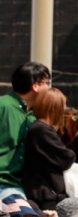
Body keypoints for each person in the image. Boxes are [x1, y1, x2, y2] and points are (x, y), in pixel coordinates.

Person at [0, 62, 51, 195]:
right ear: (35, 86)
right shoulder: (3, 105)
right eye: (47, 83)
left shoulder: (35, 115)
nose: (49, 88)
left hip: (23, 185)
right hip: (4, 185)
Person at [22, 86, 75, 210]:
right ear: (55, 107)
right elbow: (66, 158)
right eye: (62, 105)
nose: (64, 110)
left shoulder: (40, 128)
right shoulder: (41, 130)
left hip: (46, 191)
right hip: (46, 193)